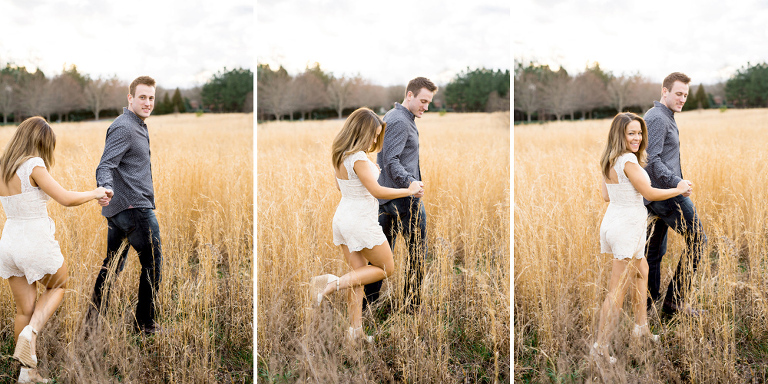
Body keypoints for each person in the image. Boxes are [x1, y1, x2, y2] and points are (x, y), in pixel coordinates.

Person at [0, 116, 108, 383]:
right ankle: (31, 332)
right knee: (59, 285)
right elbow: (66, 199)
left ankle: (27, 373)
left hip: (9, 242)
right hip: (33, 240)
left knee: (24, 310)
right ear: (41, 142)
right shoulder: (33, 165)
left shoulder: (3, 167)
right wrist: (96, 193)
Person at [310, 107, 423, 341]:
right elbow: (376, 191)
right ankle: (331, 283)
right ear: (361, 131)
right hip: (360, 222)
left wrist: (372, 172)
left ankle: (355, 333)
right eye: (373, 134)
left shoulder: (340, 154)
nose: (374, 140)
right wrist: (409, 190)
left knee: (359, 277)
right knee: (386, 269)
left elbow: (341, 186)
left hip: (343, 219)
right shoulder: (359, 158)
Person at [592, 112, 692, 363]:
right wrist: (678, 189)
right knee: (616, 291)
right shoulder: (628, 161)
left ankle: (641, 328)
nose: (637, 138)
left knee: (642, 271)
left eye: (639, 133)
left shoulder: (610, 159)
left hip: (618, 223)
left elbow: (606, 196)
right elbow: (648, 193)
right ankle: (600, 348)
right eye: (631, 133)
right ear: (620, 135)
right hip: (626, 228)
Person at [89, 75, 163, 334]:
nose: (147, 102)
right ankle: (145, 324)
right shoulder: (125, 127)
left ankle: (92, 324)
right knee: (153, 264)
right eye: (142, 97)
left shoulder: (136, 124)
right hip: (134, 210)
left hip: (121, 210)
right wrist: (105, 188)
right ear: (130, 98)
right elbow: (105, 165)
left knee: (112, 266)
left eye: (151, 98)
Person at [364, 77, 436, 311]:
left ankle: (367, 306)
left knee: (380, 257)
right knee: (417, 253)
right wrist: (411, 183)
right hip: (403, 200)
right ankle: (412, 307)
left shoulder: (397, 116)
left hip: (387, 198)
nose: (426, 106)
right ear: (409, 95)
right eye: (423, 101)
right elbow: (390, 160)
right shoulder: (400, 121)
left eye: (429, 102)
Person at [644, 72, 707, 318]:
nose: (682, 99)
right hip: (667, 194)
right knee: (698, 240)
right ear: (665, 91)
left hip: (659, 193)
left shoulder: (663, 116)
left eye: (685, 95)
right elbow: (651, 160)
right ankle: (674, 302)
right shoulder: (658, 118)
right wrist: (677, 182)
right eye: (678, 93)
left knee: (653, 253)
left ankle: (649, 305)